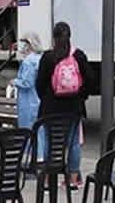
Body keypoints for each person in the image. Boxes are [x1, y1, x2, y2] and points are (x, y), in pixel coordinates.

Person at [35, 22, 91, 189]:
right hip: (73, 108)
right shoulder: (78, 56)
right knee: (74, 143)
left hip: (50, 108)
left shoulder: (48, 57)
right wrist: (80, 96)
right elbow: (90, 79)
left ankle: (47, 180)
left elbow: (39, 84)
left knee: (49, 142)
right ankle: (72, 180)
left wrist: (46, 98)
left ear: (53, 38)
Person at [14, 32, 44, 149]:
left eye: (24, 43)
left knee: (27, 129)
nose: (22, 47)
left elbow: (27, 83)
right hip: (37, 99)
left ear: (29, 44)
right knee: (39, 130)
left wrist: (15, 82)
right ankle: (40, 154)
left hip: (27, 101)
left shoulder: (28, 62)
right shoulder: (40, 59)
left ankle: (30, 154)